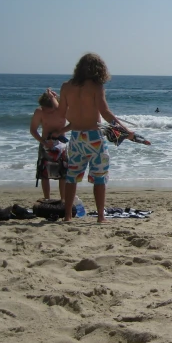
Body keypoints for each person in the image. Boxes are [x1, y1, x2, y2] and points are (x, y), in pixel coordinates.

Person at [57, 53, 131, 223]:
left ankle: (67, 216)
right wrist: (124, 131)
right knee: (99, 177)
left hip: (76, 137)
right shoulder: (96, 87)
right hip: (94, 137)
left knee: (72, 177)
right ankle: (100, 216)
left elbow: (62, 113)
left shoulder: (66, 87)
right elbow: (105, 113)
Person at [29, 88, 67, 200]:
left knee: (63, 175)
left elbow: (74, 124)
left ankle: (63, 200)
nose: (47, 112)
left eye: (49, 110)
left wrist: (59, 132)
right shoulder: (39, 111)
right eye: (45, 109)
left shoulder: (62, 111)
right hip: (46, 144)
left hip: (61, 144)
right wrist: (43, 141)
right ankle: (47, 199)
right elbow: (33, 129)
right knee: (44, 175)